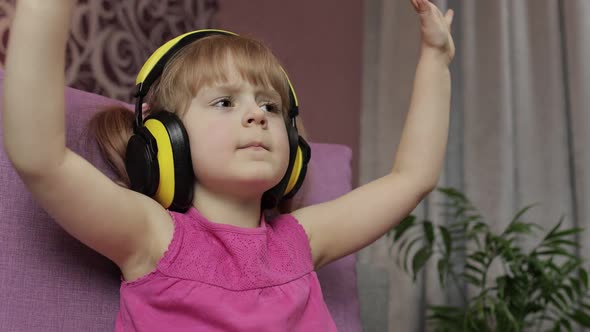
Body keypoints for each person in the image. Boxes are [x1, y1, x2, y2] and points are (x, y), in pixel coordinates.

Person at [1, 0, 454, 330]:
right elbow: (40, 158)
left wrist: (435, 60)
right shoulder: (152, 237)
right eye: (224, 101)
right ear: (165, 139)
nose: (257, 114)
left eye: (271, 107)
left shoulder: (301, 242)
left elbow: (412, 178)